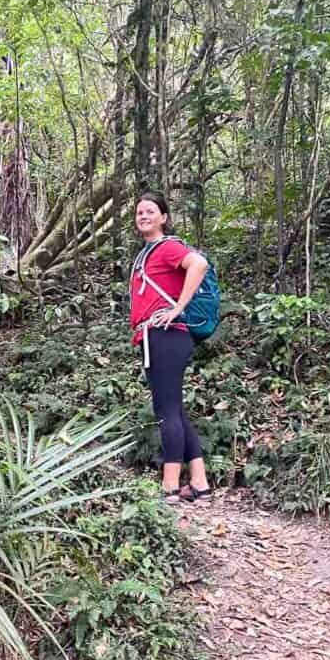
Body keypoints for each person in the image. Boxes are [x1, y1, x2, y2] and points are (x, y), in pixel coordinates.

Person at [129, 191, 212, 503]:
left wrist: (178, 307)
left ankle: (170, 485)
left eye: (150, 211)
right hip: (157, 336)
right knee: (174, 408)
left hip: (165, 333)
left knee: (166, 410)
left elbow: (198, 264)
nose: (144, 216)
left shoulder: (167, 247)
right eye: (139, 212)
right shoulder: (148, 253)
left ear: (163, 217)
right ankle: (200, 482)